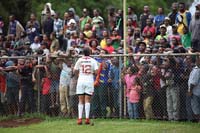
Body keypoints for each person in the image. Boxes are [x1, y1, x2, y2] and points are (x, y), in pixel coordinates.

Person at [74, 47, 98, 125]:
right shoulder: (93, 60)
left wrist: (78, 75)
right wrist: (93, 72)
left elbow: (75, 70)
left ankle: (80, 119)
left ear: (83, 53)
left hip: (81, 79)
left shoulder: (80, 60)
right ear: (90, 53)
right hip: (89, 80)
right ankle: (87, 118)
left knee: (80, 100)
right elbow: (97, 71)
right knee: (87, 99)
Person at [188, 55, 200, 122]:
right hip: (197, 91)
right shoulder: (195, 69)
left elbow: (193, 82)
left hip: (195, 91)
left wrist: (190, 91)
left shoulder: (197, 70)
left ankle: (199, 121)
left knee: (195, 107)